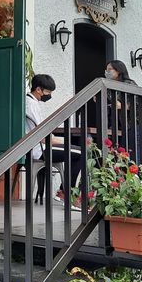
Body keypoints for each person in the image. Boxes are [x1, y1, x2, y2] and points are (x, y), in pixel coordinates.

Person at [25, 74, 82, 207]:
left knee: (75, 149)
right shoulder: (31, 105)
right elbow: (43, 138)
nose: (49, 95)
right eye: (48, 92)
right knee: (80, 153)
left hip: (34, 147)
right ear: (38, 89)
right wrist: (63, 141)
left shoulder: (29, 102)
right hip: (38, 150)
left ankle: (64, 192)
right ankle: (65, 193)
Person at [104, 60, 142, 164]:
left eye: (110, 69)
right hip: (117, 128)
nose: (106, 72)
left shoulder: (129, 84)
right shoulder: (108, 86)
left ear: (118, 71)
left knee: (133, 158)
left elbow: (141, 107)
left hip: (133, 126)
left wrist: (123, 106)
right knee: (119, 158)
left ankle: (137, 179)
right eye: (106, 70)